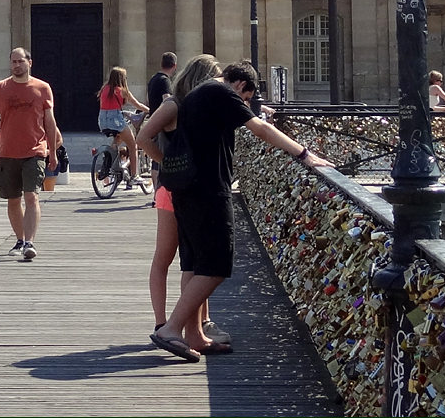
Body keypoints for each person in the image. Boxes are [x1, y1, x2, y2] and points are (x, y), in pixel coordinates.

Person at [137, 60, 328, 362]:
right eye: (247, 98)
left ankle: (195, 335)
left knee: (196, 264)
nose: (246, 105)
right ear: (241, 86)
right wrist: (304, 153)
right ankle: (170, 329)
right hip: (209, 191)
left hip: (186, 190)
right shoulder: (222, 92)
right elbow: (261, 127)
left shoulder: (196, 95)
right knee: (216, 265)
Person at [146, 55, 222, 336]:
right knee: (184, 259)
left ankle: (189, 322)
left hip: (176, 187)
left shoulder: (184, 105)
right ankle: (172, 324)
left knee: (187, 260)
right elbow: (144, 138)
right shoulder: (179, 105)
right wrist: (168, 165)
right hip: (180, 188)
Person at [0, 48, 60, 262]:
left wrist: (53, 152)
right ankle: (20, 239)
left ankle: (29, 242)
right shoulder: (0, 88)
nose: (16, 65)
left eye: (20, 61)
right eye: (13, 61)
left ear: (30, 62)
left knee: (31, 195)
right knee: (13, 199)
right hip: (7, 152)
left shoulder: (42, 88)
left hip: (35, 150)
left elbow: (50, 122)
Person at [98, 66, 151, 184]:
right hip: (116, 120)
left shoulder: (104, 89)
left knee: (117, 140)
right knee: (132, 145)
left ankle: (108, 164)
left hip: (103, 121)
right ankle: (134, 176)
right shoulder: (121, 91)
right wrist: (150, 110)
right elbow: (137, 105)